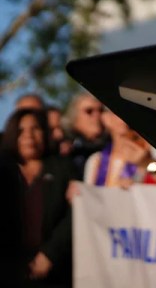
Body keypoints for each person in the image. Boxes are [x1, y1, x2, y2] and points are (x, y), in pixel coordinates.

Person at [1, 107, 76, 287]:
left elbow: (73, 216)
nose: (29, 135)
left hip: (56, 270)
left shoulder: (63, 168)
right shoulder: (3, 169)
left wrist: (50, 254)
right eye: (21, 130)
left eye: (35, 128)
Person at [63, 92, 107, 180]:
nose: (97, 115)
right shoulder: (67, 151)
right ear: (74, 118)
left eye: (101, 110)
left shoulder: (112, 148)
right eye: (89, 111)